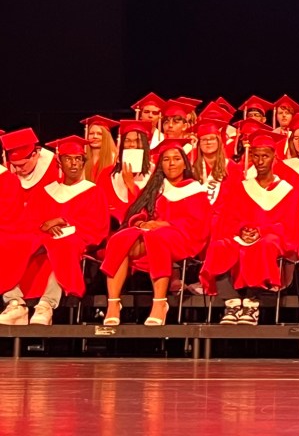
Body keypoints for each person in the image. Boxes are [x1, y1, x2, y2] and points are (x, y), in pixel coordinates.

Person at [100, 139, 211, 326]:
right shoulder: (155, 188)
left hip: (183, 238)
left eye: (176, 159)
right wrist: (141, 222)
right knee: (120, 238)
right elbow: (139, 211)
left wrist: (164, 223)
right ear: (161, 166)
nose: (171, 163)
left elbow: (199, 224)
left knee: (158, 236)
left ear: (185, 164)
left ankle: (160, 303)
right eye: (166, 159)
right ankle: (113, 303)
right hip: (150, 234)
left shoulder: (194, 189)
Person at [0, 136, 108, 325]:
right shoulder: (46, 191)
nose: (73, 164)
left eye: (78, 159)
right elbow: (30, 221)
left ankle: (46, 306)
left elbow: (97, 227)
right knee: (8, 242)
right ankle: (15, 303)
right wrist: (45, 225)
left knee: (62, 244)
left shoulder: (94, 191)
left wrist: (64, 221)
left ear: (84, 162)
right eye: (68, 159)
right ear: (59, 161)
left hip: (75, 239)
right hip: (43, 237)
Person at [201, 131, 299, 325]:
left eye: (265, 156)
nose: (260, 161)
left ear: (274, 157)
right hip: (243, 236)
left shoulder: (287, 190)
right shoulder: (241, 188)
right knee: (220, 246)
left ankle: (252, 302)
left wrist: (261, 232)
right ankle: (232, 302)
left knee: (263, 245)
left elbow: (290, 225)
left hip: (273, 238)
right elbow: (229, 219)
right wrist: (242, 230)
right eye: (256, 156)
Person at [81, 116, 118, 183]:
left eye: (99, 134)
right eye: (91, 133)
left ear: (106, 137)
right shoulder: (83, 159)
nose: (95, 136)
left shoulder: (114, 158)